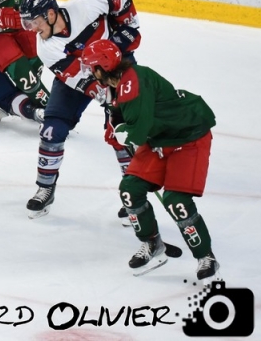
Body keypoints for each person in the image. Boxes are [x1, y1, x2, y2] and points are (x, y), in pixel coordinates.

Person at [80, 39, 219, 280]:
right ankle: (152, 243)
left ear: (103, 67)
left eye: (92, 67)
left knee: (176, 201)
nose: (91, 73)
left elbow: (137, 131)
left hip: (188, 137)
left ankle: (206, 257)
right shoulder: (116, 86)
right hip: (159, 138)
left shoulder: (133, 82)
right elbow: (122, 121)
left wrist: (124, 133)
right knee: (130, 189)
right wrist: (116, 127)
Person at [19, 0, 141, 219]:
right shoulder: (46, 49)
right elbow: (82, 80)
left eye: (34, 22)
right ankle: (45, 188)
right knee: (51, 130)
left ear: (51, 14)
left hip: (117, 65)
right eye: (28, 24)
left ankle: (133, 196)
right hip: (82, 76)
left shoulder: (85, 6)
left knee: (122, 133)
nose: (32, 29)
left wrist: (126, 28)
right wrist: (107, 96)